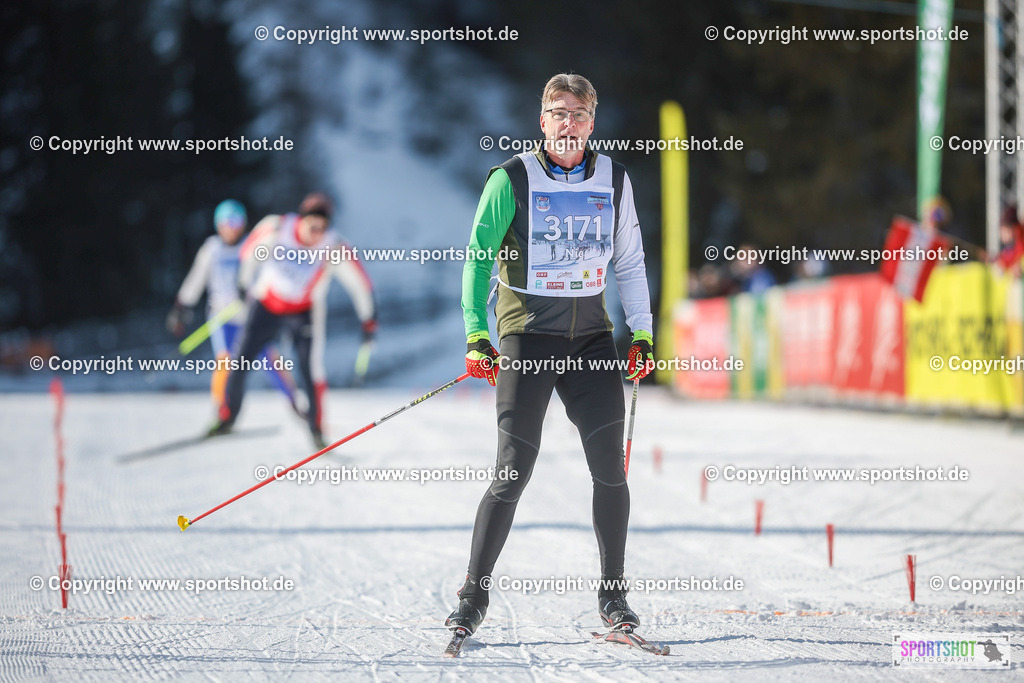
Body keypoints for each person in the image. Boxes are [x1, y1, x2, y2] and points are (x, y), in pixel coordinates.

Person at [446, 73, 655, 639]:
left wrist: (642, 334)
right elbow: (477, 260)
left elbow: (629, 263)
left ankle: (614, 598)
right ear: (542, 120)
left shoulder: (614, 179)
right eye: (559, 113)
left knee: (611, 470)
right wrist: (475, 335)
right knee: (512, 471)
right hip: (528, 339)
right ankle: (473, 594)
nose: (569, 124)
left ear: (593, 122)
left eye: (580, 115)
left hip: (589, 340)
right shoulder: (511, 178)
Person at [209, 192, 377, 448]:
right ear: (302, 220)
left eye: (323, 228)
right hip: (266, 305)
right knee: (240, 360)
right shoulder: (278, 228)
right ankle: (227, 417)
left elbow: (359, 283)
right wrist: (243, 284)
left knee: (310, 369)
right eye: (313, 226)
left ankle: (317, 432)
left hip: (303, 312)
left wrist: (368, 320)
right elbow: (249, 251)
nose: (317, 233)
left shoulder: (333, 245)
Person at [166, 199, 300, 413]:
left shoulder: (253, 244)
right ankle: (222, 409)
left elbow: (268, 274)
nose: (231, 227)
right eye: (227, 222)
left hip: (249, 316)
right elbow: (196, 278)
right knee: (225, 360)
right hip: (221, 316)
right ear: (218, 225)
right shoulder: (211, 249)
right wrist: (181, 306)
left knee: (269, 358)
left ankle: (295, 401)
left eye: (236, 221)